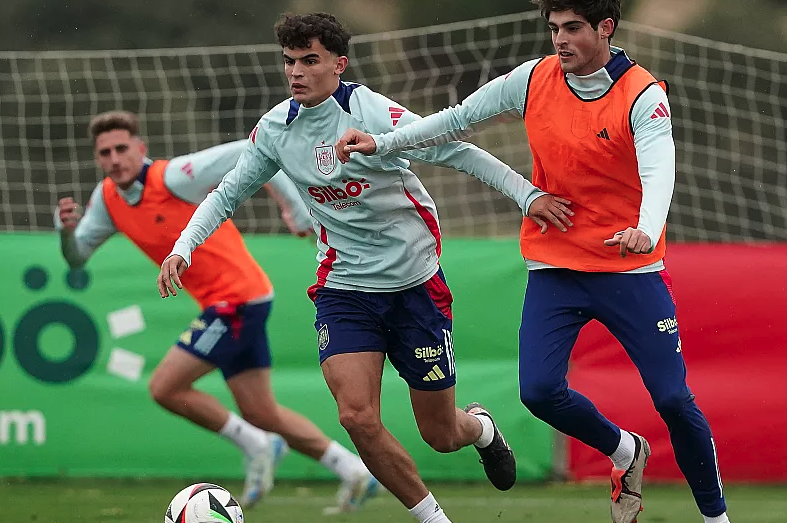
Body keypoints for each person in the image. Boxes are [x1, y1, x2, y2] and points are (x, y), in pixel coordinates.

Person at [156, 12, 574, 523]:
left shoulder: (373, 113)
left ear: (339, 63)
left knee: (442, 435)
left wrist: (526, 195)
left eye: (310, 60)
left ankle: (481, 429)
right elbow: (227, 194)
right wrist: (183, 247)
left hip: (414, 286)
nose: (297, 72)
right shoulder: (274, 130)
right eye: (290, 61)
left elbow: (457, 152)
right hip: (345, 289)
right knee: (356, 416)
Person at [335, 1, 730, 522]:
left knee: (675, 401)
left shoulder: (643, 94)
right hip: (556, 268)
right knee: (539, 392)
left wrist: (646, 230)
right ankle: (624, 452)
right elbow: (456, 120)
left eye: (572, 29)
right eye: (553, 29)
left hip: (628, 269)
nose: (560, 40)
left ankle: (715, 517)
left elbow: (660, 171)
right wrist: (382, 142)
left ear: (605, 28)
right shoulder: (533, 78)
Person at [57, 110, 379, 514]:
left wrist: (296, 211)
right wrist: (66, 232)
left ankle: (256, 443)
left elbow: (255, 148)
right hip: (238, 300)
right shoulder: (106, 198)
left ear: (141, 149)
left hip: (238, 300)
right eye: (106, 152)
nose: (115, 158)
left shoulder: (175, 176)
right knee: (261, 411)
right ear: (98, 158)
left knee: (165, 387)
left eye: (123, 148)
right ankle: (353, 470)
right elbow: (76, 258)